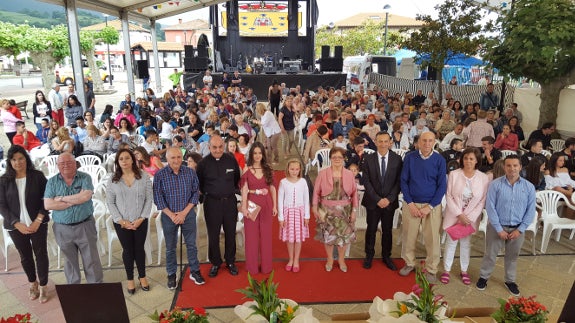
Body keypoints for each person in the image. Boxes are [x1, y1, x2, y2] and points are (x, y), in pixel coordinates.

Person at [476, 155, 536, 296]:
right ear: (504, 167)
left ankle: (510, 280)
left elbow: (530, 210)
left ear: (520, 167)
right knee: (490, 254)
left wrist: (520, 230)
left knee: (512, 256)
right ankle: (484, 277)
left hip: (517, 228)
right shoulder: (495, 184)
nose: (512, 168)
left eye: (515, 165)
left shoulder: (529, 187)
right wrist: (498, 228)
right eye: (508, 165)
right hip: (497, 227)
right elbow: (490, 207)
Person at [0, 146, 50, 303]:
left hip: (38, 224)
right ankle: (32, 283)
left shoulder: (37, 176)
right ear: (10, 162)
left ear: (26, 159)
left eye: (20, 158)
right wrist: (16, 223)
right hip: (16, 226)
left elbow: (47, 199)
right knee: (25, 256)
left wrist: (38, 220)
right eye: (14, 159)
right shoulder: (4, 180)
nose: (17, 162)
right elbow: (1, 205)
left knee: (41, 254)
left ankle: (43, 285)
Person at [44, 153, 104, 284]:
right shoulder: (52, 182)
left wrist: (61, 199)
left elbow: (85, 197)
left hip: (85, 225)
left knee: (91, 259)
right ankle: (74, 288)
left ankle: (96, 287)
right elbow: (48, 204)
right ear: (58, 166)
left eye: (69, 162)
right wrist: (76, 199)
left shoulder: (85, 177)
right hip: (62, 228)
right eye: (62, 163)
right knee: (70, 261)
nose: (65, 165)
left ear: (75, 163)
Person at [152, 147, 205, 289]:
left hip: (187, 214)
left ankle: (194, 271)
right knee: (170, 247)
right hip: (169, 215)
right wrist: (172, 215)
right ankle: (171, 274)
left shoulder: (190, 172)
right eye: (172, 158)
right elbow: (158, 198)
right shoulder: (160, 175)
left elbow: (195, 194)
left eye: (178, 157)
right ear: (167, 159)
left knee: (191, 244)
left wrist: (183, 213)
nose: (176, 160)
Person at [399, 131, 447, 282]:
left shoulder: (439, 160)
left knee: (432, 238)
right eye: (424, 141)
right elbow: (403, 181)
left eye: (430, 141)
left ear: (434, 142)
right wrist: (410, 203)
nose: (427, 144)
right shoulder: (410, 158)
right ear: (418, 142)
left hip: (431, 205)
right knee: (409, 235)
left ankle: (432, 269)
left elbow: (442, 186)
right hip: (411, 203)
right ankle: (409, 263)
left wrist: (430, 206)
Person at [106, 149, 153, 294]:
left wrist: (141, 218)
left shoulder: (143, 176)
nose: (124, 161)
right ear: (118, 162)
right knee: (128, 251)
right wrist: (121, 221)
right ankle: (130, 279)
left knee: (139, 249)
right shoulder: (113, 179)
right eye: (121, 159)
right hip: (122, 222)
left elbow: (149, 199)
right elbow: (110, 202)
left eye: (127, 158)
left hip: (140, 220)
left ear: (132, 159)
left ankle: (142, 276)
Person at [441, 148, 489, 285]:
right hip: (455, 214)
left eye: (472, 159)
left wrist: (469, 216)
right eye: (466, 158)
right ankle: (446, 269)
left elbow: (482, 200)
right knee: (451, 243)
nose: (468, 161)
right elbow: (449, 195)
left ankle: (464, 270)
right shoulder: (454, 174)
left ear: (477, 161)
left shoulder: (483, 178)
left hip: (470, 219)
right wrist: (459, 214)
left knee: (466, 244)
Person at [197, 136, 241, 278]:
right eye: (214, 147)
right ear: (209, 147)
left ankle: (230, 261)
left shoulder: (231, 159)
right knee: (213, 235)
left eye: (220, 147)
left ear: (224, 146)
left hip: (229, 202)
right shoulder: (203, 163)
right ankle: (215, 262)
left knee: (230, 233)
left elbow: (236, 179)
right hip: (212, 203)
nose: (218, 150)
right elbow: (200, 184)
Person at [361, 132, 402, 270]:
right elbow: (366, 181)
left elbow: (398, 181)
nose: (383, 144)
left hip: (389, 202)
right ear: (376, 142)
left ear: (390, 142)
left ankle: (386, 256)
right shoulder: (368, 159)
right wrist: (378, 199)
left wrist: (389, 199)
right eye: (380, 141)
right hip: (373, 202)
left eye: (386, 141)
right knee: (371, 229)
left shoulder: (397, 159)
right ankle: (369, 255)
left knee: (387, 230)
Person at [312, 147, 358, 273]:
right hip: (327, 210)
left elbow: (355, 194)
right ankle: (330, 259)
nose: (337, 159)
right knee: (329, 237)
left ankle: (342, 260)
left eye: (339, 157)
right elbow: (316, 192)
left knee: (344, 237)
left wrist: (354, 211)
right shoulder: (323, 173)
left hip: (345, 210)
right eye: (334, 157)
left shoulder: (349, 174)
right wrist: (315, 207)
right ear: (330, 159)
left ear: (344, 159)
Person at [239, 142, 277, 275]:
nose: (257, 155)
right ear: (251, 154)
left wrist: (275, 206)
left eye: (260, 153)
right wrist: (243, 207)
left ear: (263, 154)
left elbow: (272, 188)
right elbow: (244, 190)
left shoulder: (268, 169)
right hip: (251, 204)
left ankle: (267, 267)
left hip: (266, 205)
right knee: (251, 237)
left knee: (266, 237)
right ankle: (252, 267)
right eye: (255, 153)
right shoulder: (246, 170)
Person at [277, 159, 310, 273]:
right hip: (288, 213)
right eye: (292, 169)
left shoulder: (303, 182)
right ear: (288, 169)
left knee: (298, 238)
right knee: (290, 238)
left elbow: (306, 199)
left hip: (300, 213)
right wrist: (281, 217)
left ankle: (296, 260)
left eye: (297, 169)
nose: (294, 171)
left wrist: (307, 215)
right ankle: (290, 259)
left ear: (300, 169)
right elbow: (280, 200)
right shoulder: (283, 182)